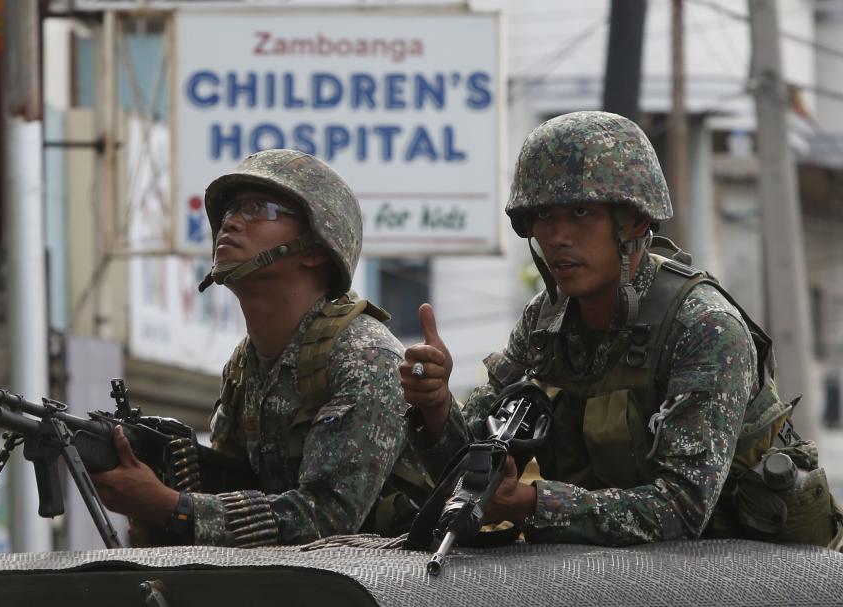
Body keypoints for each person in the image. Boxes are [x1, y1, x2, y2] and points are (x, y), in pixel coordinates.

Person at [402, 111, 842, 548]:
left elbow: (681, 510)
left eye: (579, 212)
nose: (556, 236)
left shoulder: (705, 328)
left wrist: (533, 503)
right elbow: (465, 469)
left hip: (748, 567)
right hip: (609, 571)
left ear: (634, 220)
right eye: (543, 215)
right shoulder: (546, 322)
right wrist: (437, 409)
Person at [93, 149, 428, 547]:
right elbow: (233, 488)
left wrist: (173, 507)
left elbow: (328, 517)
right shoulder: (245, 365)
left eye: (260, 209)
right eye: (232, 209)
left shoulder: (364, 356)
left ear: (316, 249)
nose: (231, 222)